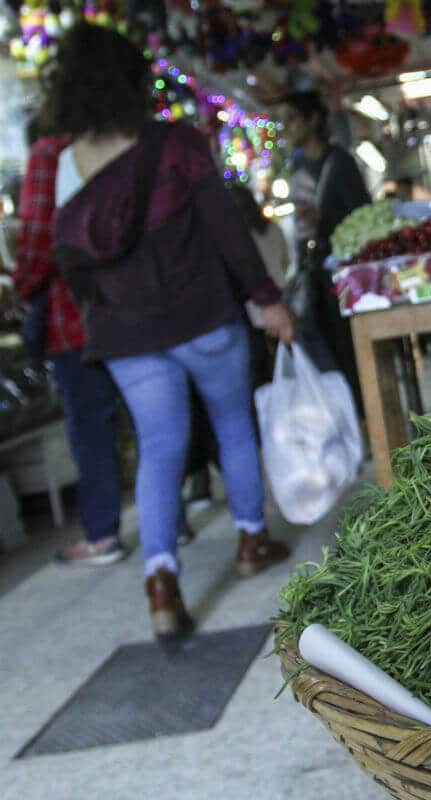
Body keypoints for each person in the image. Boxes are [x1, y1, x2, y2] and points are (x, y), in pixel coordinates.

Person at [48, 24, 296, 640]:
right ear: (132, 81)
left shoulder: (65, 167)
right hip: (203, 316)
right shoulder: (178, 145)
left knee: (159, 448)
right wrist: (265, 299)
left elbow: (70, 263)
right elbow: (227, 233)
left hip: (127, 334)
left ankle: (160, 581)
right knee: (234, 425)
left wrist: (105, 313)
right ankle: (250, 541)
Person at [14, 115, 127, 566]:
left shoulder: (48, 154)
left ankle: (101, 536)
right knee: (145, 419)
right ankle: (171, 525)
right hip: (127, 309)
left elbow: (38, 241)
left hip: (75, 318)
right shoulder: (112, 139)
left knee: (90, 428)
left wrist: (22, 286)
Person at [279, 90, 369, 409]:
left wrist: (326, 218)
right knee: (325, 352)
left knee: (350, 351)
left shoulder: (341, 163)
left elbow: (363, 217)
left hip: (343, 278)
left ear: (313, 120)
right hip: (314, 274)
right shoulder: (297, 168)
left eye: (291, 119)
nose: (286, 127)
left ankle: (362, 416)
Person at [229, 183, 290, 387]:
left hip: (254, 311)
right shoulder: (272, 228)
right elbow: (285, 261)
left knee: (262, 373)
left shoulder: (237, 240)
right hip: (282, 302)